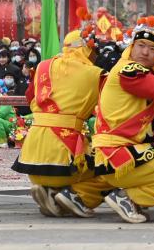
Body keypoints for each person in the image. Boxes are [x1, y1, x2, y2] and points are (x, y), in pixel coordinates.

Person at [72, 17, 154, 223]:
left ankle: (76, 196)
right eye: (140, 45)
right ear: (131, 47)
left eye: (152, 48)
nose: (145, 52)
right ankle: (127, 198)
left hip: (114, 153)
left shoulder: (142, 73)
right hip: (120, 153)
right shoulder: (130, 69)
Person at [13, 29, 105, 218]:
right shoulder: (96, 74)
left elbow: (30, 97)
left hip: (32, 156)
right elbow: (107, 107)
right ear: (87, 50)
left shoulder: (43, 67)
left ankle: (49, 192)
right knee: (107, 168)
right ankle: (75, 196)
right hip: (64, 156)